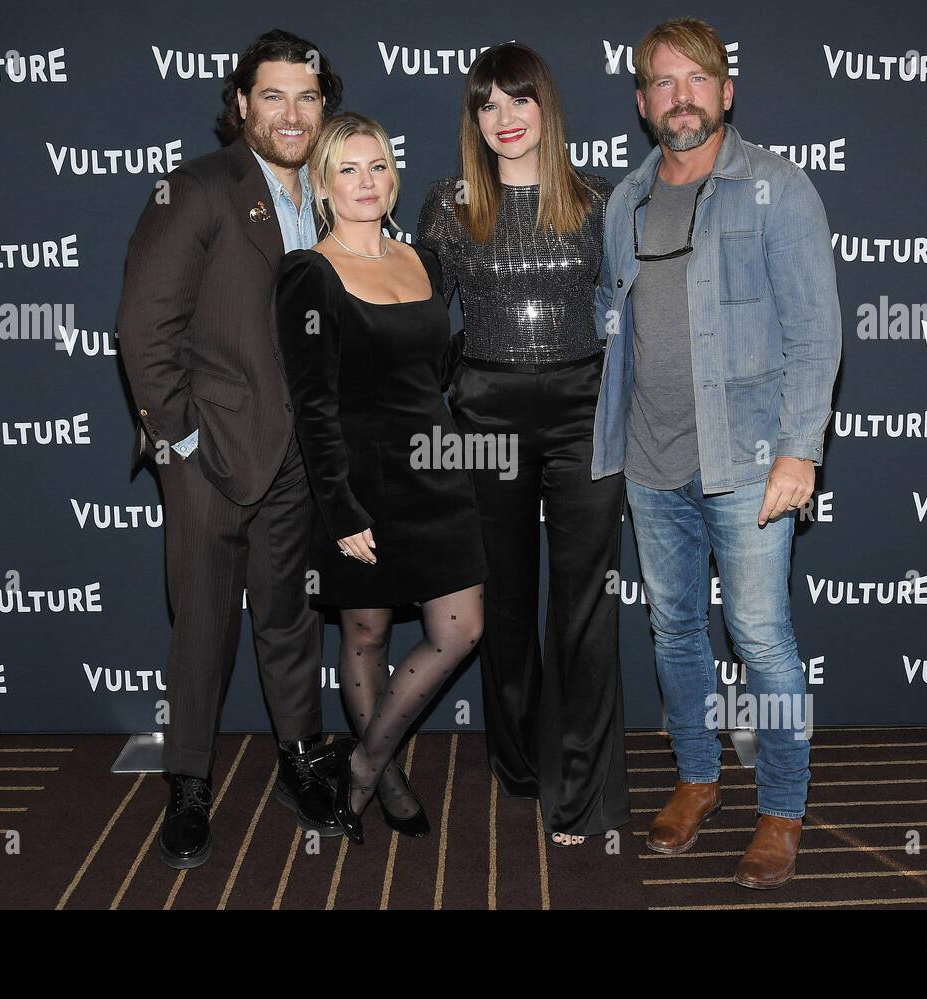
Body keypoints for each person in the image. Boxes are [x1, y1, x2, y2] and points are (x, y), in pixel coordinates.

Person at [591, 18, 842, 887]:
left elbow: (816, 331)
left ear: (725, 91)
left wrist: (800, 451)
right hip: (651, 461)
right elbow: (615, 329)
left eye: (697, 79)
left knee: (762, 636)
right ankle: (697, 779)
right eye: (662, 82)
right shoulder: (623, 201)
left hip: (749, 461)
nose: (681, 96)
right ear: (642, 103)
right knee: (673, 631)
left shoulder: (777, 188)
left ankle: (781, 806)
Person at [116, 29, 347, 869]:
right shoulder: (199, 188)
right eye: (274, 96)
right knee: (203, 626)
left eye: (308, 96)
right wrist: (177, 442)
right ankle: (187, 786)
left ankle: (300, 762)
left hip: (297, 458)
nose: (292, 113)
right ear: (243, 104)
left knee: (289, 619)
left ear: (326, 107)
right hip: (210, 452)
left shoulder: (331, 197)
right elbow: (145, 326)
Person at [417, 42, 629, 847]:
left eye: (518, 100)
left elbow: (641, 310)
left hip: (584, 405)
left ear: (547, 106)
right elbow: (411, 312)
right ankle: (517, 761)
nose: (504, 118)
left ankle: (578, 792)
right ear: (473, 118)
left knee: (583, 604)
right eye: (487, 104)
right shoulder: (448, 202)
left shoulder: (599, 199)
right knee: (502, 598)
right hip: (484, 414)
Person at [276, 111, 487, 845]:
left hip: (435, 471)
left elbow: (429, 373)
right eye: (349, 170)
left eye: (378, 166)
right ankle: (388, 775)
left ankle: (362, 767)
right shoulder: (310, 273)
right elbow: (313, 405)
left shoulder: (424, 259)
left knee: (461, 628)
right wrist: (339, 508)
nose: (368, 182)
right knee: (364, 632)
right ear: (324, 186)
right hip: (358, 480)